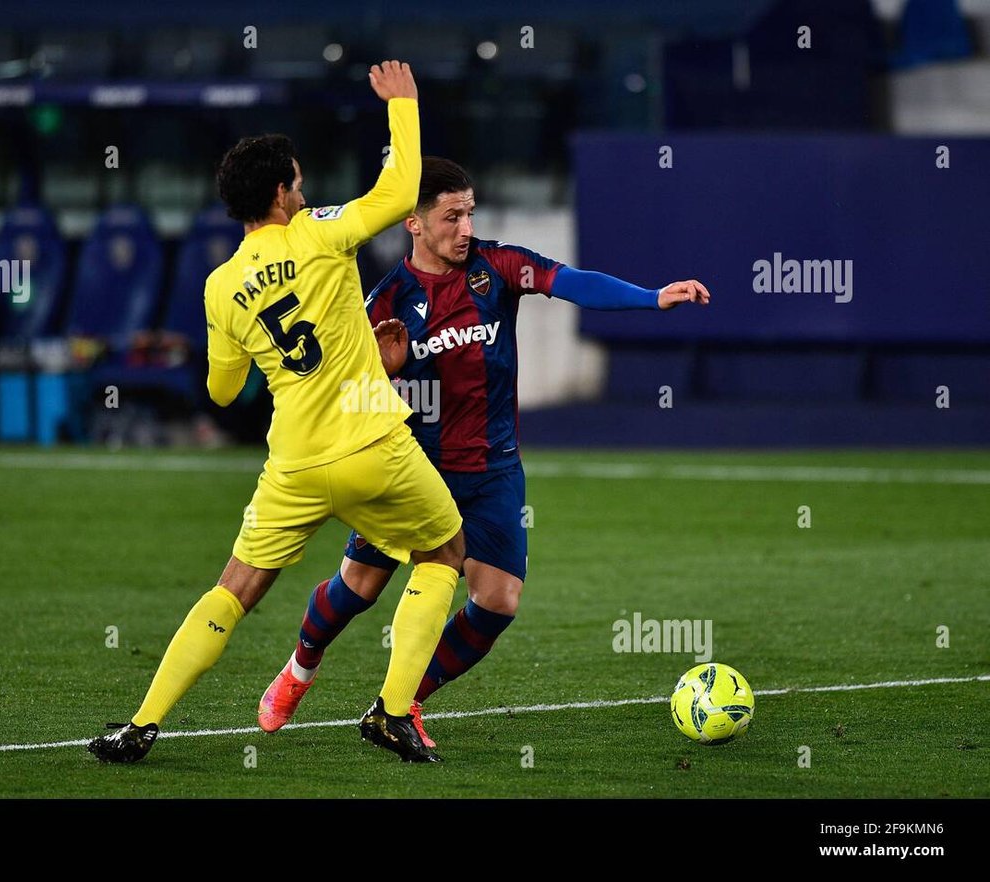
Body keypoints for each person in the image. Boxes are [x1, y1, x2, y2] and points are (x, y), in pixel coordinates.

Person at [257, 157, 711, 747]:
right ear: (413, 224)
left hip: (493, 469)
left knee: (498, 601)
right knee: (358, 589)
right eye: (452, 216)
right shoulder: (384, 300)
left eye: (470, 213)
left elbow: (570, 282)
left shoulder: (496, 267)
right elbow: (346, 391)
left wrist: (652, 298)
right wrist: (383, 371)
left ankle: (401, 704)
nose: (465, 228)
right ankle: (299, 670)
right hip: (412, 470)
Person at [88, 61, 464, 765]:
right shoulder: (321, 231)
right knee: (443, 553)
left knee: (234, 589)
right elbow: (397, 191)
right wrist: (405, 106)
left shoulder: (219, 284)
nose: (305, 188)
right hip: (373, 444)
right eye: (298, 180)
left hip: (293, 462)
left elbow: (222, 392)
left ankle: (140, 725)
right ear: (283, 194)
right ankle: (390, 712)